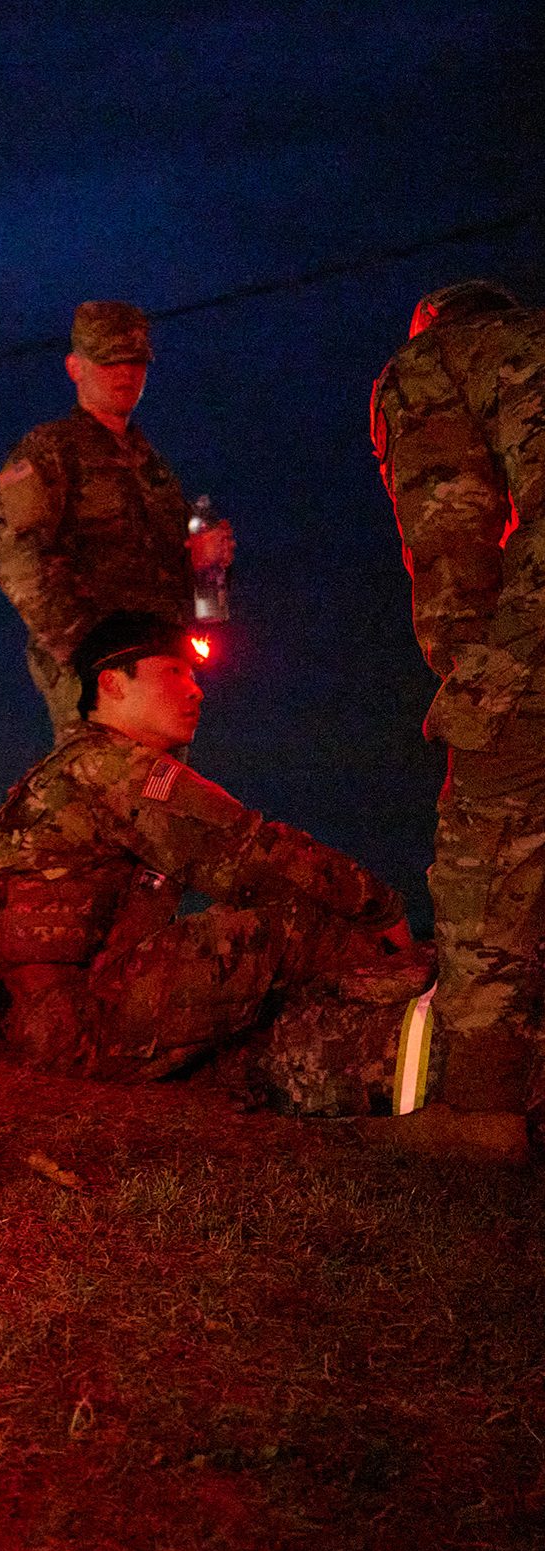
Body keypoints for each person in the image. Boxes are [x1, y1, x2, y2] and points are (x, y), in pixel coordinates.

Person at [0, 611, 446, 1123]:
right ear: (112, 684)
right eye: (174, 673)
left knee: (248, 945)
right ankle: (422, 1022)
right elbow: (257, 856)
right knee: (290, 923)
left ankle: (354, 1047)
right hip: (73, 1028)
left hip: (44, 1027)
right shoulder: (114, 768)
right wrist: (382, 910)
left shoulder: (78, 768)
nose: (196, 692)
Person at [370, 278, 544, 1153]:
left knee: (490, 834)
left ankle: (478, 1111)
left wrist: (472, 681)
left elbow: (450, 541)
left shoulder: (432, 361)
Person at [0, 301, 235, 737]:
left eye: (135, 362)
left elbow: (167, 572)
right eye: (108, 362)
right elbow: (19, 561)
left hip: (162, 663)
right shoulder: (49, 452)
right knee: (104, 790)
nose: (125, 375)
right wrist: (87, 651)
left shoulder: (152, 466)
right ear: (75, 367)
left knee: (159, 794)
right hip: (97, 673)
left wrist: (200, 560)